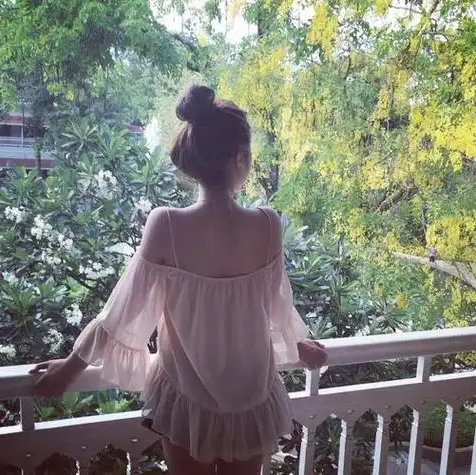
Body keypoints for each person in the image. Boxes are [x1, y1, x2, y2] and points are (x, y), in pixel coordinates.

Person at [30, 85, 327, 475]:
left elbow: (122, 311)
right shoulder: (268, 225)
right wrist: (300, 345)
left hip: (186, 401)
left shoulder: (167, 224)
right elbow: (276, 308)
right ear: (241, 156)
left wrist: (70, 368)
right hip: (252, 397)